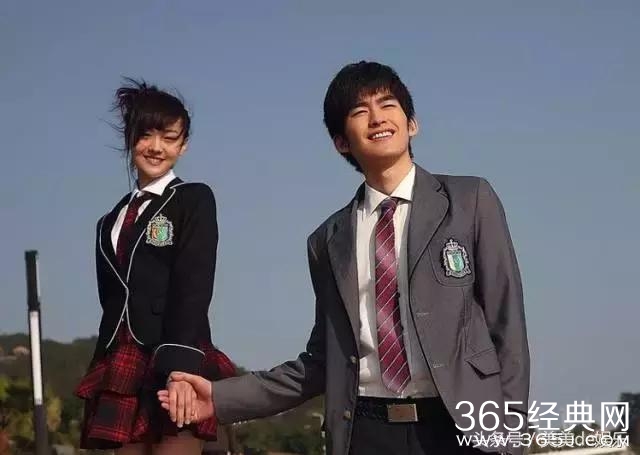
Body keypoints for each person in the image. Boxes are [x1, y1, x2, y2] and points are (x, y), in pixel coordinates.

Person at [160, 61, 530, 454]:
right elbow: (322, 361)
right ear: (341, 142)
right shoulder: (327, 241)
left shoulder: (469, 200)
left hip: (461, 426)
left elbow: (507, 324)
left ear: (412, 123)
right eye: (359, 111)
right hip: (366, 432)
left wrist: (509, 434)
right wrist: (220, 398)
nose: (377, 118)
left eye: (387, 105)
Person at [75, 78, 236, 454]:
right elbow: (111, 299)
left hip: (175, 354)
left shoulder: (192, 199)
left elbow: (193, 286)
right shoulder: (108, 221)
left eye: (169, 137)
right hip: (121, 363)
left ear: (183, 145)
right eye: (146, 135)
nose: (156, 147)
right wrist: (103, 363)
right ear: (130, 138)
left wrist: (182, 370)